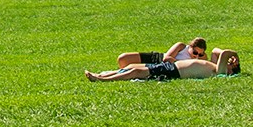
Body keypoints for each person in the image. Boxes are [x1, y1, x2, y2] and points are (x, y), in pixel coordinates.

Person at [85, 47, 241, 81]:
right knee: (131, 67)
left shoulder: (220, 71)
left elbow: (225, 53)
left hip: (173, 72)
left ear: (230, 70)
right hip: (171, 67)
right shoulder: (215, 65)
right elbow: (215, 50)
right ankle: (103, 74)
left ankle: (102, 79)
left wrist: (235, 56)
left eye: (230, 64)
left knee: (136, 73)